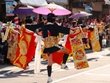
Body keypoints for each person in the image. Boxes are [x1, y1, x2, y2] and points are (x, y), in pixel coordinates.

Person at [40, 13, 74, 83]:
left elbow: (40, 34)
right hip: (54, 46)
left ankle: (49, 78)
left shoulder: (44, 27)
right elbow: (69, 31)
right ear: (53, 19)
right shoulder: (55, 26)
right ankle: (63, 64)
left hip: (47, 47)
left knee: (49, 63)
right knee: (67, 51)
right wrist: (73, 30)